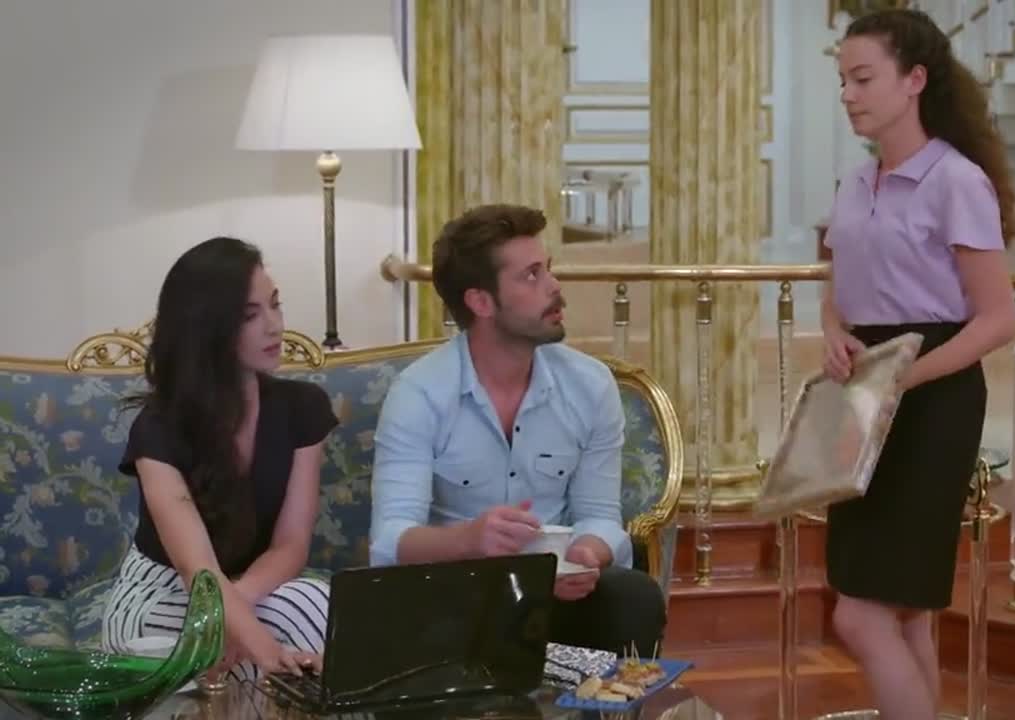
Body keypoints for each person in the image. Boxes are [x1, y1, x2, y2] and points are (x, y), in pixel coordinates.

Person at [821, 9, 1015, 720]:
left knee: (860, 614)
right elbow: (837, 289)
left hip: (933, 402)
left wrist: (903, 377)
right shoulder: (854, 182)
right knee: (905, 617)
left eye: (863, 78)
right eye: (843, 81)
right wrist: (833, 333)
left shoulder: (956, 181)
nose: (849, 95)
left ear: (915, 80)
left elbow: (997, 319)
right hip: (863, 394)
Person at [369, 203, 666, 657]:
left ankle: (601, 698)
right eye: (531, 276)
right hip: (457, 592)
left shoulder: (589, 385)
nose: (554, 287)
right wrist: (469, 540)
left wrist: (585, 555)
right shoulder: (419, 394)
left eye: (548, 269)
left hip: (554, 592)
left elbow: (599, 516)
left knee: (633, 598)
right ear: (481, 302)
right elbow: (391, 539)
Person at [102, 237, 338, 682]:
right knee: (199, 651)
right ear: (206, 326)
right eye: (250, 316)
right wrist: (267, 651)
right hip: (165, 592)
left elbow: (290, 544)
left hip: (255, 584)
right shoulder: (158, 427)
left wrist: (236, 613)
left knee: (313, 604)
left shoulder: (304, 407)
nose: (274, 326)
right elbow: (197, 570)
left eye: (275, 305)